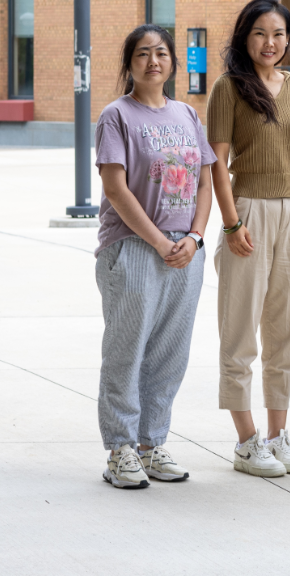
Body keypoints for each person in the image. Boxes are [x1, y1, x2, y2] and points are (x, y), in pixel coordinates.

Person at [209, 0, 290, 478]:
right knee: (239, 331)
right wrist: (232, 222)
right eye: (260, 33)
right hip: (250, 211)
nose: (270, 43)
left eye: (279, 34)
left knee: (286, 330)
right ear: (245, 37)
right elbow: (216, 161)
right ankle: (245, 440)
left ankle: (278, 436)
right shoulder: (229, 88)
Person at [95, 24, 217, 488]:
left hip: (184, 250)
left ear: (173, 62)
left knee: (170, 352)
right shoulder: (117, 115)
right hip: (132, 247)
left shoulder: (187, 114)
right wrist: (159, 242)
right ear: (129, 64)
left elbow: (205, 179)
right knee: (127, 351)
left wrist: (196, 236)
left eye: (161, 53)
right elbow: (114, 187)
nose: (153, 61)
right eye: (143, 54)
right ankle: (120, 449)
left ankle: (151, 443)